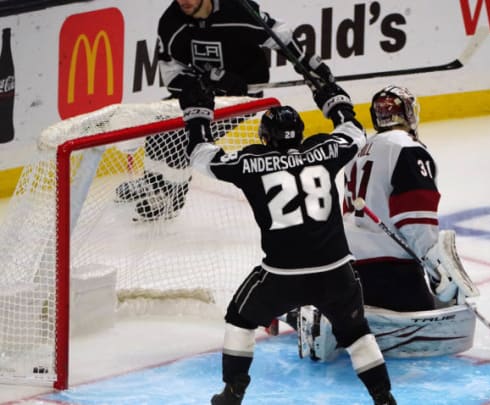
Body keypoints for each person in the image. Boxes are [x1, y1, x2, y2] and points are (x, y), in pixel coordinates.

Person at [184, 80, 396, 405]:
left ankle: (232, 392)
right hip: (337, 270)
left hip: (283, 276)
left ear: (264, 137)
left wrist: (198, 116)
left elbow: (201, 156)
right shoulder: (323, 149)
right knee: (355, 332)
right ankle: (383, 398)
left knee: (240, 318)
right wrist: (333, 99)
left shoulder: (251, 162)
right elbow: (354, 130)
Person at [116, 0, 333, 221]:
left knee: (181, 138)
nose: (184, 1)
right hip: (202, 91)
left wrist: (307, 65)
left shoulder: (237, 11)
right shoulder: (171, 21)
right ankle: (153, 183)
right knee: (160, 123)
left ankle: (170, 198)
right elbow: (172, 76)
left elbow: (280, 35)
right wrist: (208, 79)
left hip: (239, 99)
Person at [343, 85, 459, 311]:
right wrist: (437, 270)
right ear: (407, 113)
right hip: (393, 272)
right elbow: (416, 220)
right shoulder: (407, 148)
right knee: (429, 319)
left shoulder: (359, 150)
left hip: (350, 271)